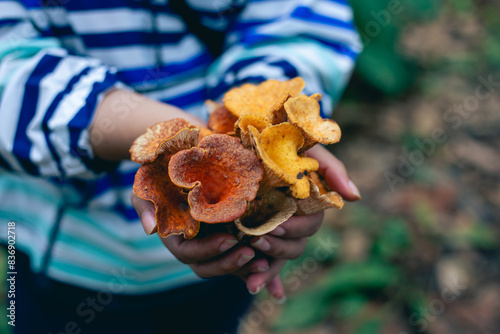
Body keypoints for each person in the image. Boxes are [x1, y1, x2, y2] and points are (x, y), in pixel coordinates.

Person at [0, 0, 362, 333]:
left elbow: (298, 18)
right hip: (66, 263)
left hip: (225, 265)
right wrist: (145, 129)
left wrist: (270, 132)